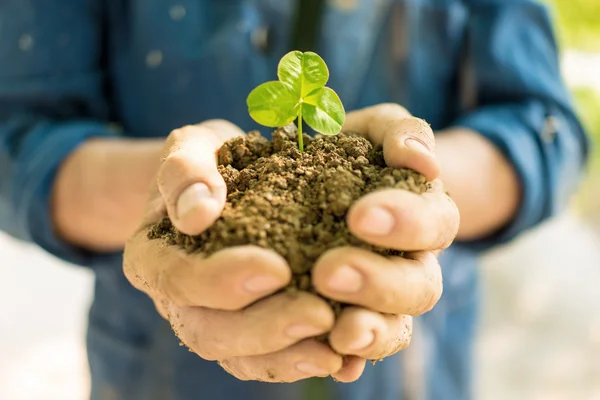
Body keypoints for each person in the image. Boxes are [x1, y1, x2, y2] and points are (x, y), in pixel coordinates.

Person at [0, 1, 589, 399]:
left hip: (413, 375)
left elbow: (542, 126)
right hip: (159, 370)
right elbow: (19, 136)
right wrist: (175, 196)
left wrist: (418, 190)